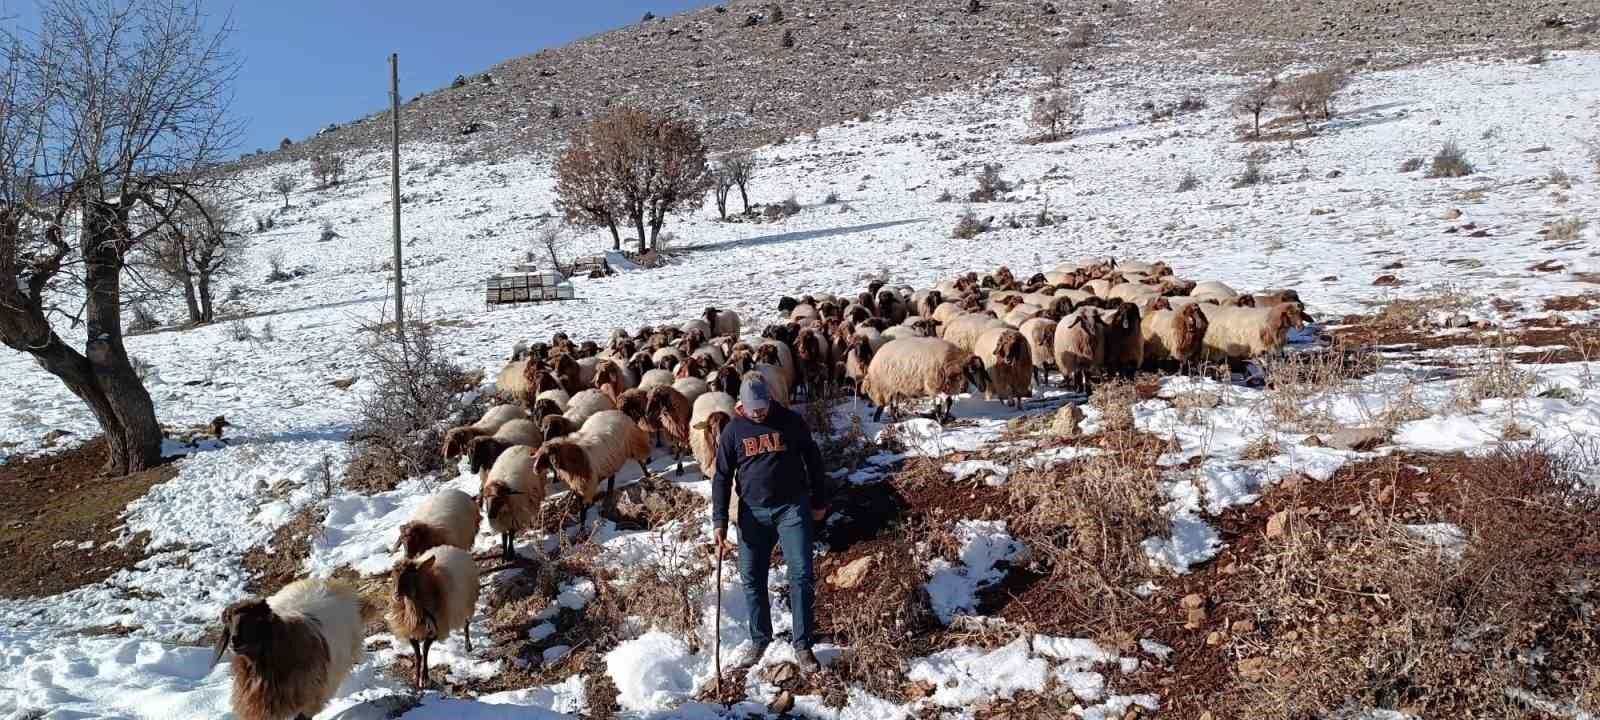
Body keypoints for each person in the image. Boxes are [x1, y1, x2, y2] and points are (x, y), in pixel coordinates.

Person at [710, 375, 828, 672]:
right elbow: (722, 476)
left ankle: (803, 645)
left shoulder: (790, 421)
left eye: (762, 407)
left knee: (801, 574)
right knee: (751, 577)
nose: (758, 413)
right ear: (742, 405)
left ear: (770, 400)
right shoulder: (733, 431)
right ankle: (760, 638)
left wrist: (819, 501)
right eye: (753, 409)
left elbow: (813, 459)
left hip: (791, 508)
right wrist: (719, 520)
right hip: (752, 512)